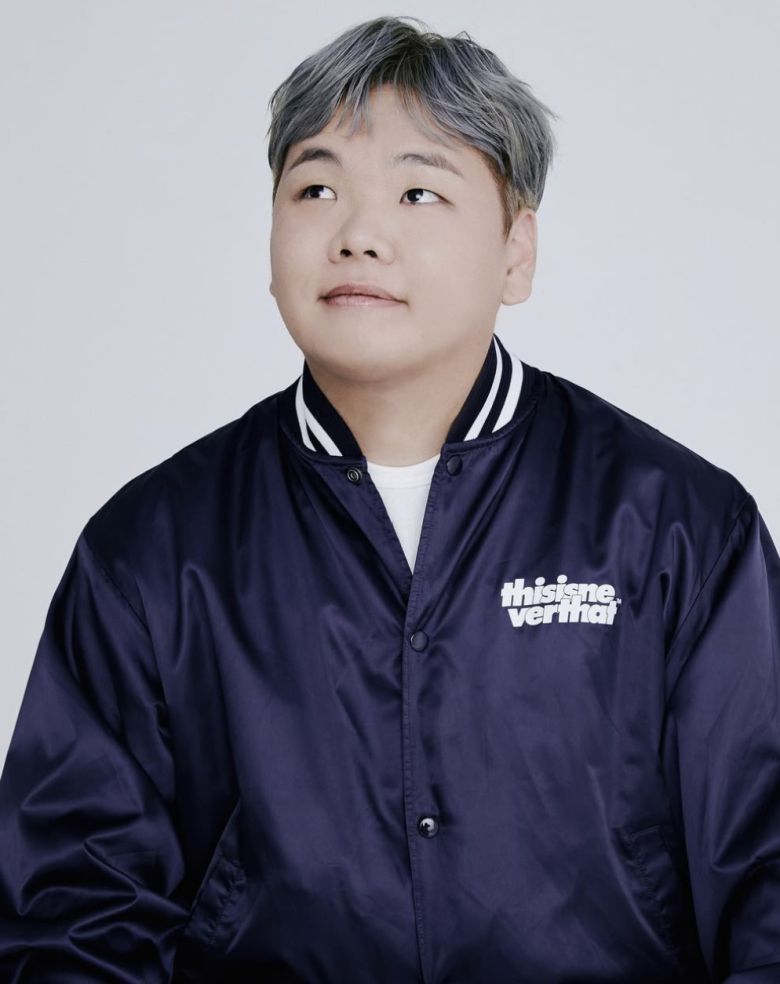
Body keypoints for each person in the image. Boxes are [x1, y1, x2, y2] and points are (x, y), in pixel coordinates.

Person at [0, 13, 778, 983]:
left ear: (516, 252)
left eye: (418, 192)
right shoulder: (152, 549)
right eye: (316, 188)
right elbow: (74, 914)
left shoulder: (677, 525)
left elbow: (766, 872)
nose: (359, 235)